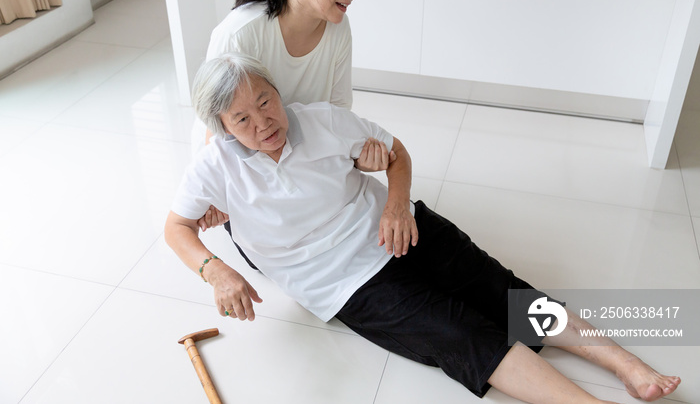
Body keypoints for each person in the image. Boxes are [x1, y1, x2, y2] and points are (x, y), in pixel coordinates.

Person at [165, 53, 681, 403]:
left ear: (276, 91)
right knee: (459, 334)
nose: (263, 123)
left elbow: (396, 154)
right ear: (223, 129)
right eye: (242, 120)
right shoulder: (217, 168)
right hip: (341, 280)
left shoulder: (320, 120)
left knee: (502, 291)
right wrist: (215, 270)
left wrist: (396, 205)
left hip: (394, 228)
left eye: (265, 102)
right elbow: (177, 228)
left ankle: (624, 362)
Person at [193, 0, 392, 246]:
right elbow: (216, 132)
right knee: (292, 242)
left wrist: (356, 157)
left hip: (303, 156)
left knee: (354, 227)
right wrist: (218, 192)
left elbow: (338, 109)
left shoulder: (338, 29)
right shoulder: (241, 32)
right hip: (249, 166)